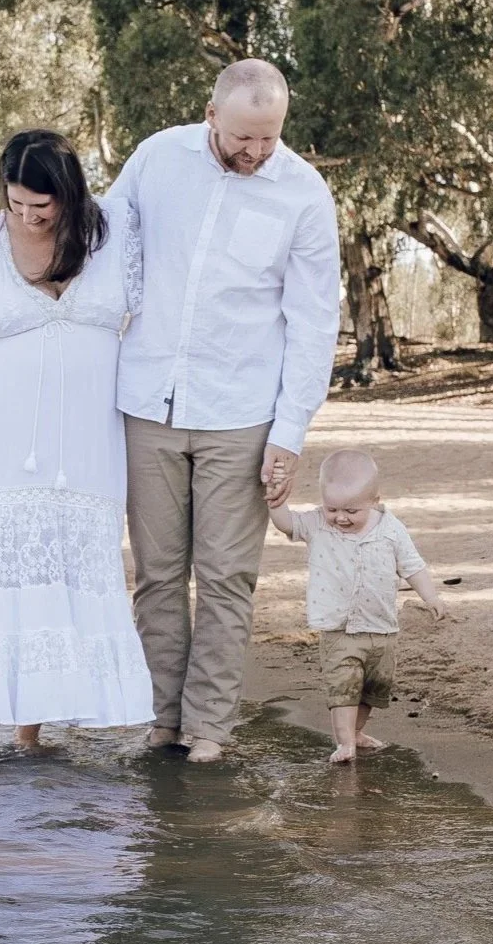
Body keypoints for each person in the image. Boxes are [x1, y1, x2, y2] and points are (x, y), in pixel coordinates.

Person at [112, 59, 340, 763]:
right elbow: (103, 246)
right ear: (211, 116)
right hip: (147, 400)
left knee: (225, 577)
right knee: (156, 573)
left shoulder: (303, 193)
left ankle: (208, 728)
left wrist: (290, 432)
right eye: (244, 137)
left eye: (269, 137)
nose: (257, 151)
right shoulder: (155, 158)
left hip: (243, 412)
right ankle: (161, 718)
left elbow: (312, 322)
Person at [0, 129, 153, 762]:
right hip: (1, 433)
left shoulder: (112, 235)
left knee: (65, 566)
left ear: (68, 196)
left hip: (88, 441)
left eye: (40, 207)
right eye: (16, 202)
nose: (26, 216)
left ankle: (34, 728)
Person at [269, 446, 452, 763]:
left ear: (374, 502)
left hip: (382, 627)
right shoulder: (317, 524)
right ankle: (344, 743)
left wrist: (431, 596)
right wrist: (275, 497)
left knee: (373, 686)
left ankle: (356, 731)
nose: (340, 517)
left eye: (352, 511)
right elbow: (286, 523)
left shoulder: (391, 529)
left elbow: (412, 566)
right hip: (338, 627)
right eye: (333, 509)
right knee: (344, 685)